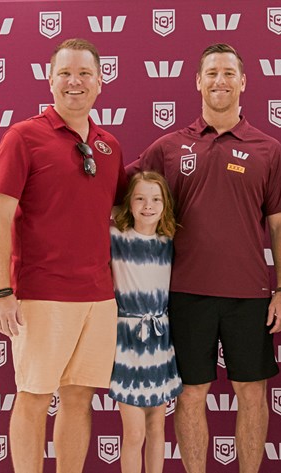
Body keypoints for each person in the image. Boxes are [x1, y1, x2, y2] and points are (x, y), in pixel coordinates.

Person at [127, 43, 281, 473]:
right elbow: (121, 194)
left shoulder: (268, 149)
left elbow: (280, 224)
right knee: (189, 394)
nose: (220, 81)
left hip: (251, 294)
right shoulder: (167, 148)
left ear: (243, 82)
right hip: (183, 293)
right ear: (198, 82)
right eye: (212, 73)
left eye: (228, 73)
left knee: (252, 393)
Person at [0, 38, 127, 473]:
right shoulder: (24, 136)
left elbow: (120, 214)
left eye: (84, 73)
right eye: (65, 73)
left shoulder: (109, 146)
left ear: (100, 83)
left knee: (80, 396)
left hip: (100, 297)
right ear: (50, 80)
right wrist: (0, 291)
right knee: (33, 396)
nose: (74, 82)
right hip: (41, 294)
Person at [109, 171, 183, 473]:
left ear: (165, 204)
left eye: (156, 199)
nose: (148, 206)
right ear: (129, 203)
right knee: (134, 432)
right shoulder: (116, 237)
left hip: (160, 342)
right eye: (140, 198)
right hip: (127, 341)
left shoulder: (171, 240)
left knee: (156, 429)